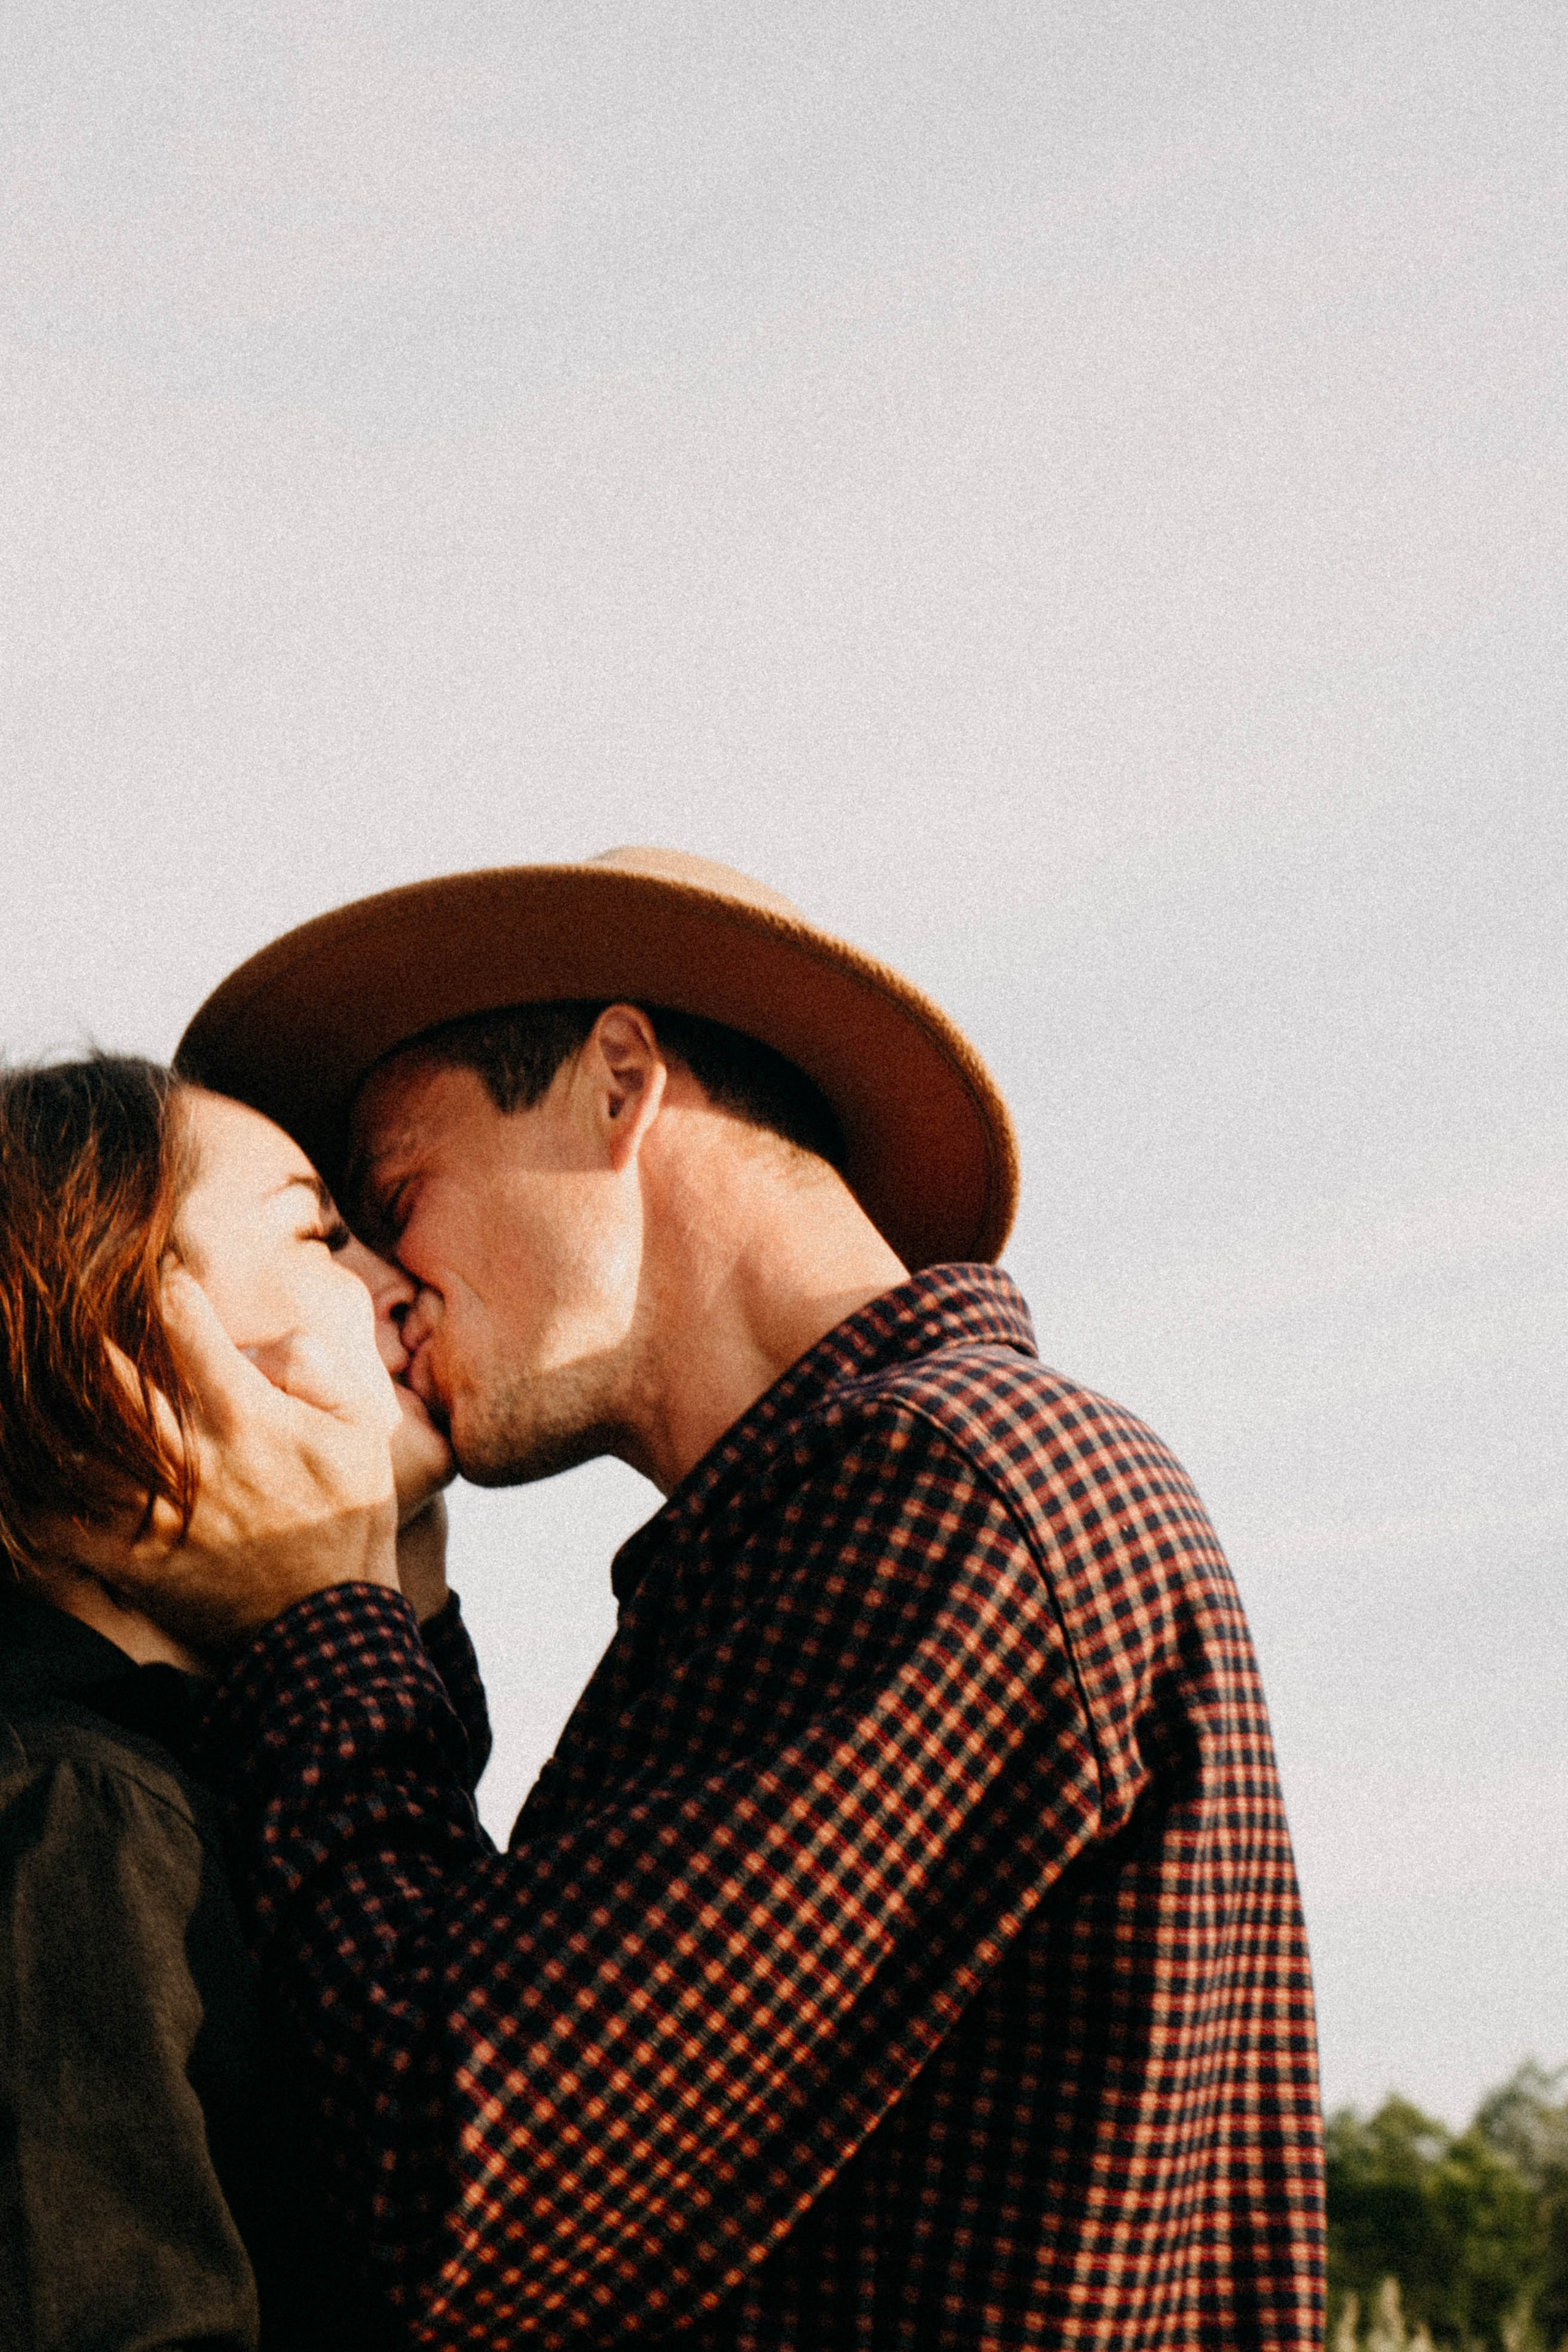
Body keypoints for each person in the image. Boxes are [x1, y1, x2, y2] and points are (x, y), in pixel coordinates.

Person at [102, 847, 1325, 2348]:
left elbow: (463, 2203)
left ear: (618, 1081)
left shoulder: (942, 1484)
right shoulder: (838, 1518)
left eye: (393, 1196)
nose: (388, 1291)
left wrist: (316, 1627)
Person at [0, 1054, 488, 2351]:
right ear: (130, 1327)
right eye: (320, 1231)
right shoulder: (72, 1816)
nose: (400, 1285)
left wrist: (383, 1602)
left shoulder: (185, 1797)